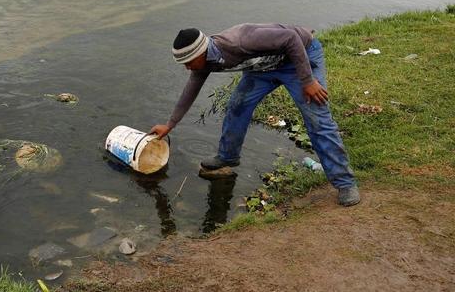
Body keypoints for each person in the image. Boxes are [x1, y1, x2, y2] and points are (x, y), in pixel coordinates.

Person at [149, 24, 360, 206]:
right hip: (262, 69)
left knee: (317, 119)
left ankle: (345, 183)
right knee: (237, 107)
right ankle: (227, 157)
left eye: (188, 62)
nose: (187, 68)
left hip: (298, 59)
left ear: (201, 53)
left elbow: (291, 38)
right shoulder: (204, 62)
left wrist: (307, 81)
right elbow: (191, 90)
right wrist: (171, 124)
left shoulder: (239, 41)